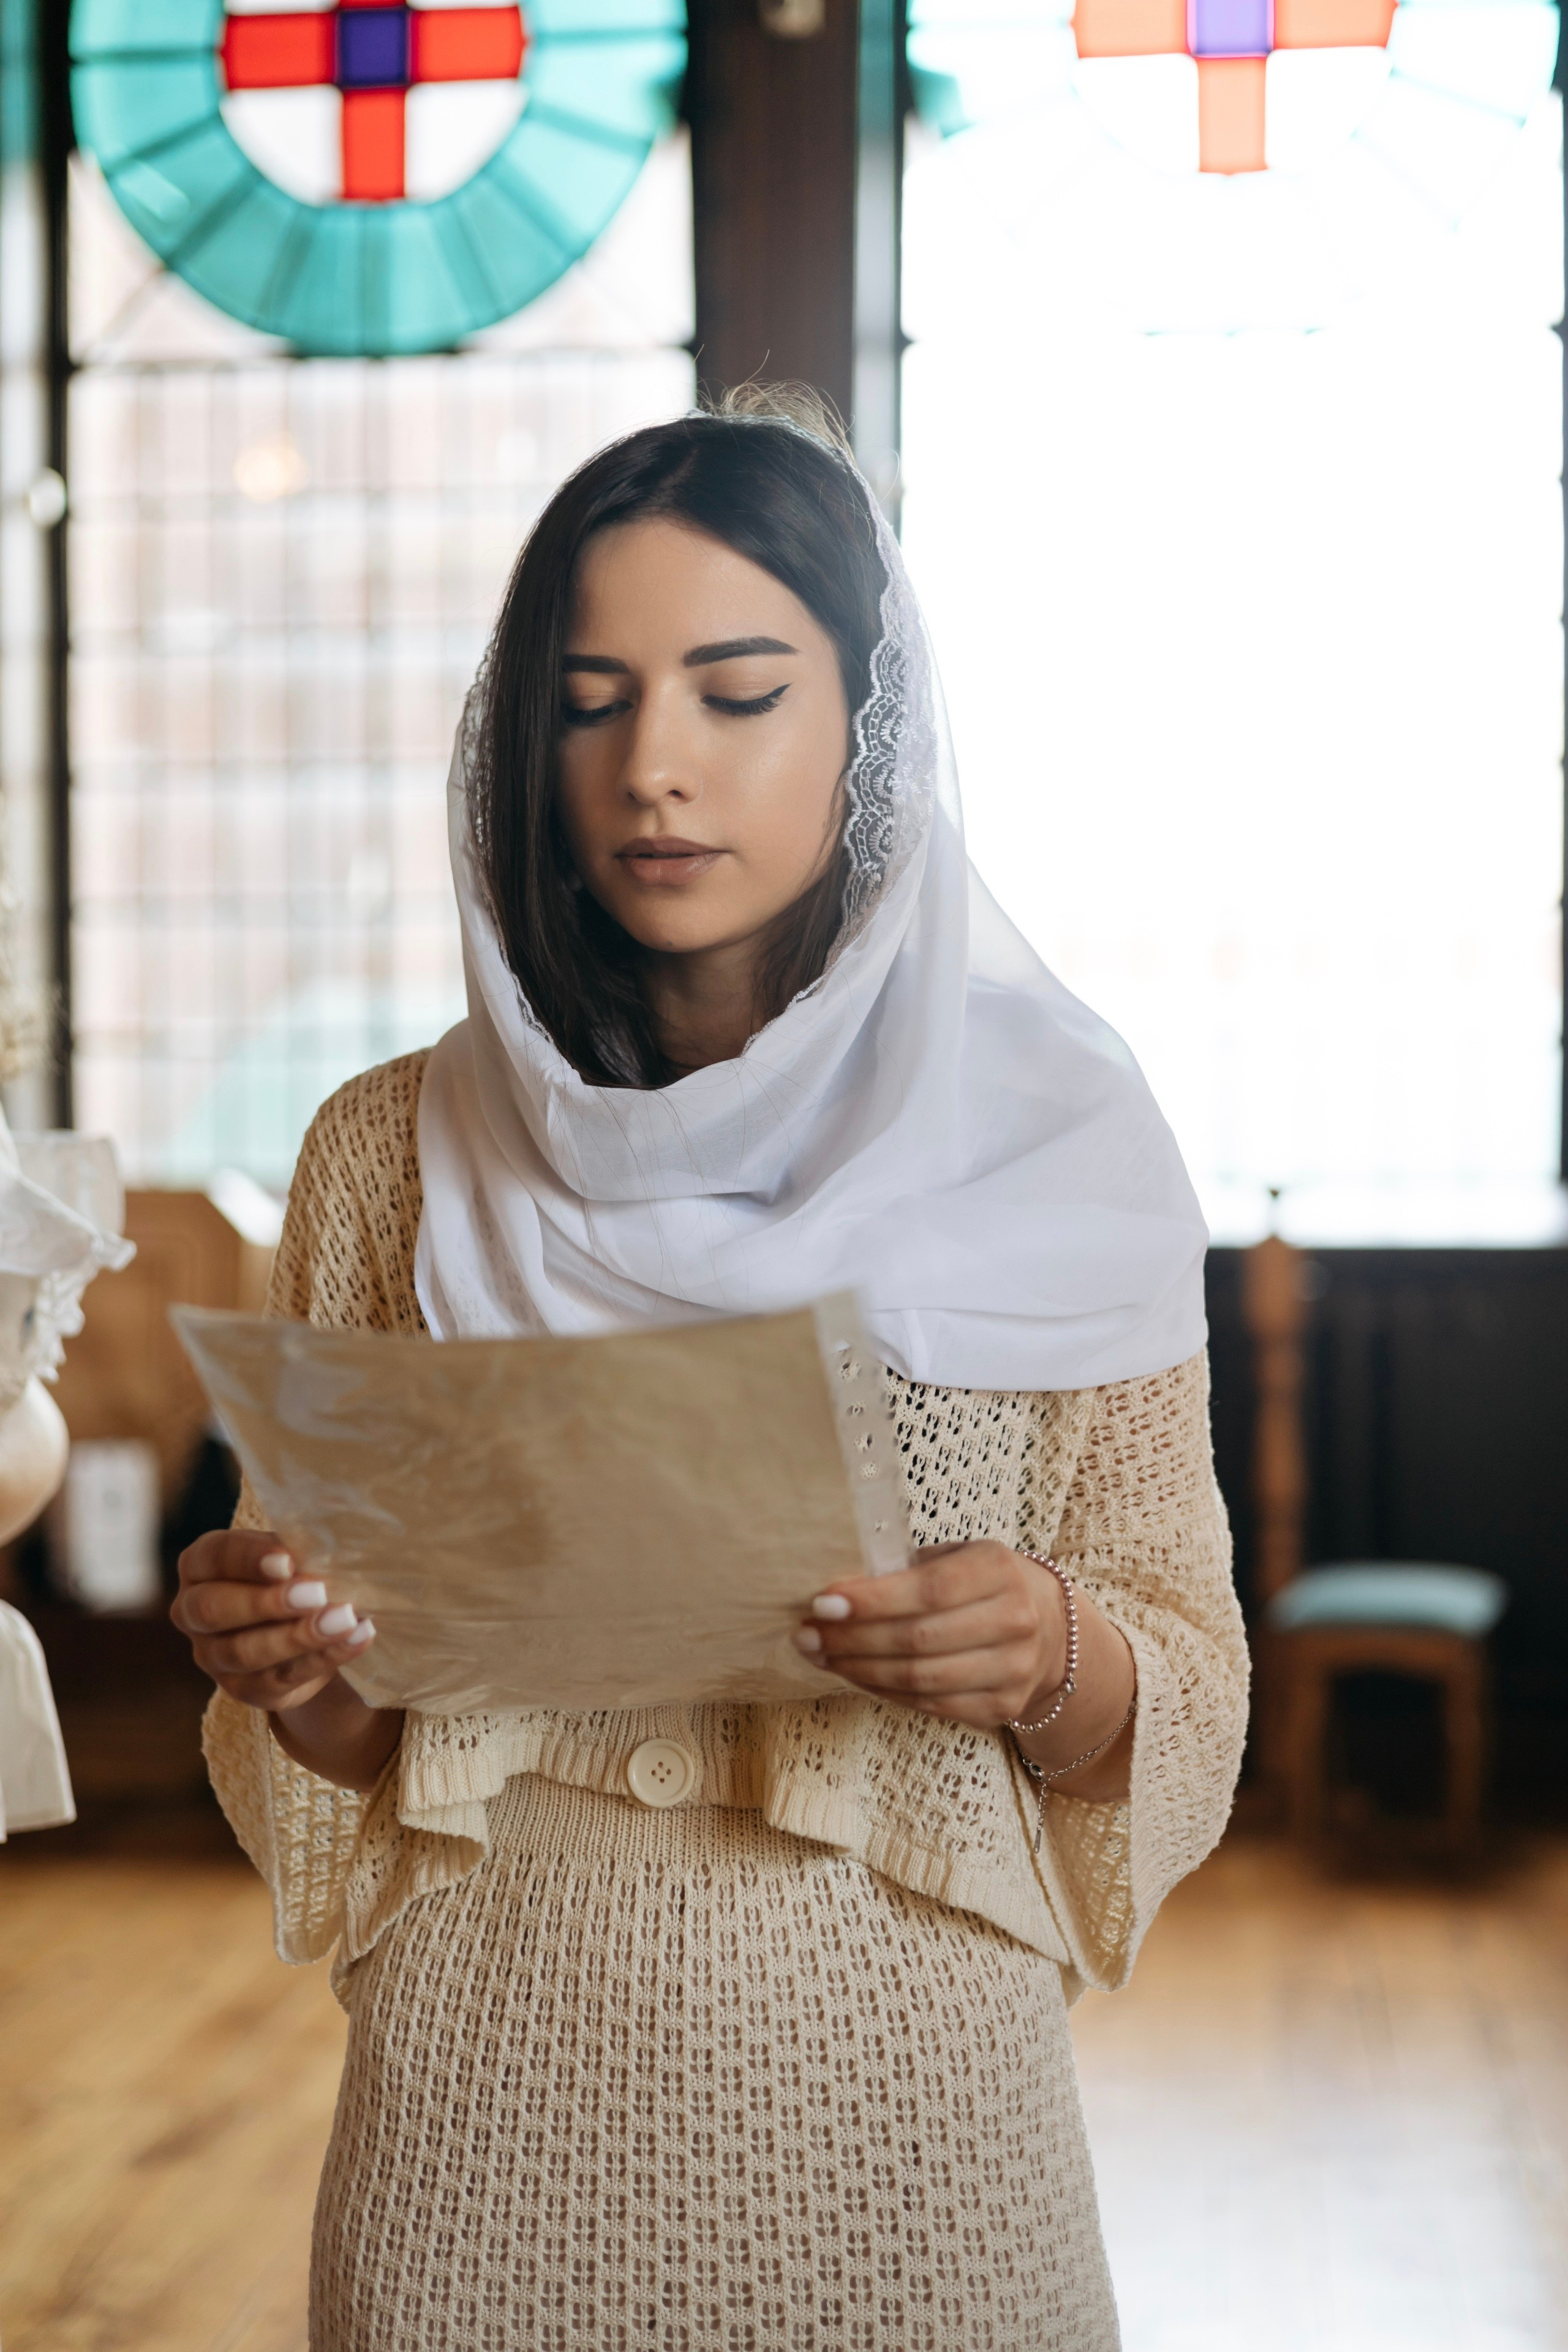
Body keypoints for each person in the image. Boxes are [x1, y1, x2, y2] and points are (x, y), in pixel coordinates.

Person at [172, 387, 1248, 2352]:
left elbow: (1185, 1676)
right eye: (592, 698)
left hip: (923, 2137)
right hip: (479, 2135)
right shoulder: (383, 1151)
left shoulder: (1058, 1139)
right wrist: (296, 1670)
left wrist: (1055, 1648)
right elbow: (357, 1741)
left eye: (739, 690)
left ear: (873, 725)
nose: (657, 763)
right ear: (522, 743)